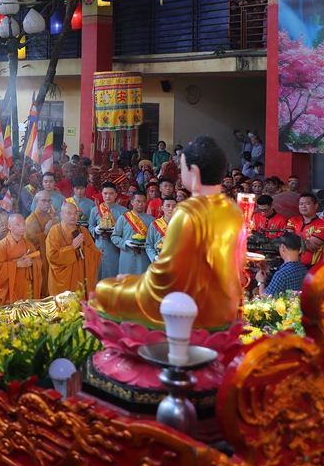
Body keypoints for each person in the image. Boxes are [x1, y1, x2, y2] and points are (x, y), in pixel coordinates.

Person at [93, 135, 244, 330]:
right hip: (225, 300)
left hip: (190, 301)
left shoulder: (188, 212)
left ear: (194, 172)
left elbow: (166, 274)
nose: (178, 173)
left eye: (182, 168)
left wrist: (132, 282)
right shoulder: (233, 210)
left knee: (105, 289)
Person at [45, 200, 101, 297]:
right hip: (62, 279)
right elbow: (52, 256)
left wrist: (83, 249)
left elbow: (96, 254)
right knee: (63, 304)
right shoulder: (54, 232)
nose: (73, 216)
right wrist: (72, 248)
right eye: (69, 213)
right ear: (61, 214)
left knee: (78, 303)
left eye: (75, 213)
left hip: (80, 277)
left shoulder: (83, 231)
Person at [0, 214, 44, 305]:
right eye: (18, 224)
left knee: (26, 310)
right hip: (10, 287)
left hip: (26, 286)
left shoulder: (28, 244)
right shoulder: (2, 246)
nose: (22, 227)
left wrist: (32, 263)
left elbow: (38, 262)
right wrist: (16, 264)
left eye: (23, 224)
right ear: (9, 226)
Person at [87, 183, 125, 282]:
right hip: (99, 247)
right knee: (97, 277)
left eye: (111, 193)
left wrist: (116, 232)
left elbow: (126, 231)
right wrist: (95, 230)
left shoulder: (123, 211)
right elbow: (90, 226)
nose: (108, 196)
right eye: (105, 193)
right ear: (102, 194)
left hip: (115, 249)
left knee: (113, 277)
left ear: (116, 195)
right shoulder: (95, 210)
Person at [112, 191, 154, 276]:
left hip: (144, 257)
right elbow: (114, 236)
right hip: (127, 255)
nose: (140, 204)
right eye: (137, 201)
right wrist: (124, 243)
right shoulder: (123, 218)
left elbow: (154, 240)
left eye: (143, 201)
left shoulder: (152, 220)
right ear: (132, 202)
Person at [292, 192, 324, 267]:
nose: (303, 206)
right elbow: (286, 238)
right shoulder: (293, 221)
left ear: (316, 206)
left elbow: (311, 246)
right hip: (293, 265)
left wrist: (290, 239)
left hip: (313, 267)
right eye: (301, 204)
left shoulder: (323, 226)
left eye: (307, 203)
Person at [144, 195, 176, 262]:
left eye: (174, 206)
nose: (171, 208)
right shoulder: (155, 225)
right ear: (162, 208)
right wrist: (154, 257)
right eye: (168, 206)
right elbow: (148, 245)